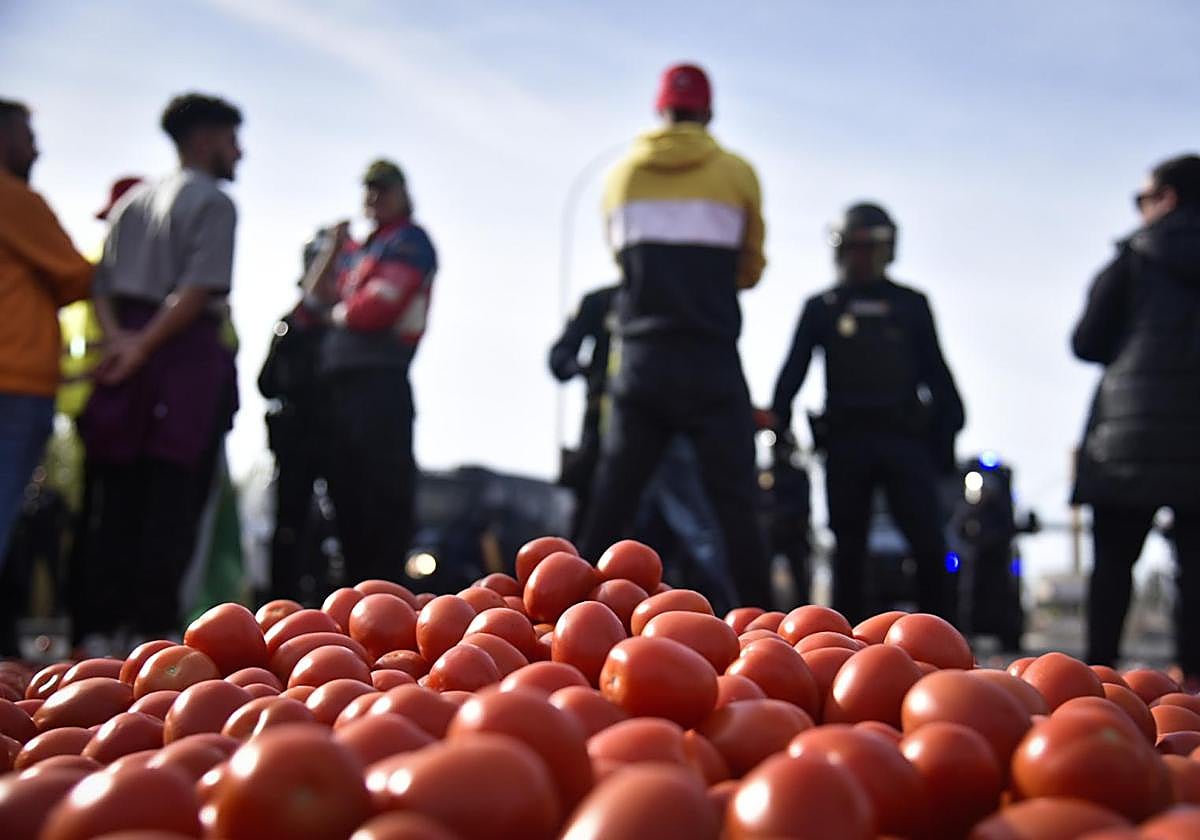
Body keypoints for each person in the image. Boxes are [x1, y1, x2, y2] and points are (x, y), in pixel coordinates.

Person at [576, 63, 773, 609]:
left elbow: (623, 261)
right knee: (736, 508)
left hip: (644, 360)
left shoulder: (621, 176)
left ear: (660, 110)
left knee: (610, 503)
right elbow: (751, 269)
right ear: (708, 112)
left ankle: (565, 620)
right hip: (711, 358)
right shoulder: (738, 173)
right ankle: (774, 633)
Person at [77, 92, 242, 640]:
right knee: (172, 503)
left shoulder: (132, 202)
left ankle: (98, 630)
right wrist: (144, 346)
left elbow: (100, 285)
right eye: (231, 140)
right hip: (181, 364)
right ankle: (153, 637)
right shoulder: (214, 203)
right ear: (204, 139)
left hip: (126, 362)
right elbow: (195, 291)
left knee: (114, 499)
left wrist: (120, 341)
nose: (238, 153)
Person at [769, 202, 964, 625]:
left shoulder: (910, 305)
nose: (859, 258)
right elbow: (793, 372)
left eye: (868, 248)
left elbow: (936, 370)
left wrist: (949, 427)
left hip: (904, 438)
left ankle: (942, 635)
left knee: (928, 540)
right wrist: (776, 422)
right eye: (852, 248)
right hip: (846, 440)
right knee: (848, 546)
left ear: (887, 250)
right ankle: (847, 639)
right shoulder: (822, 307)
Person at [1071, 154, 1200, 684]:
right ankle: (1193, 682)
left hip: (1130, 436)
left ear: (1167, 198)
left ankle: (1096, 678)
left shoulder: (1133, 260)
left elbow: (1087, 341)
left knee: (1113, 564)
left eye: (1143, 198)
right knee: (1196, 570)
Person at [298, 159, 437, 586]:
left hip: (380, 386)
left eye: (384, 189)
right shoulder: (359, 251)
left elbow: (375, 309)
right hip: (339, 390)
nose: (375, 198)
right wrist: (331, 249)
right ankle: (351, 594)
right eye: (369, 190)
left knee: (382, 502)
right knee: (345, 500)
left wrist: (335, 314)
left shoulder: (409, 242)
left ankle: (384, 594)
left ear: (402, 193)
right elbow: (311, 299)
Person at [0, 99, 92, 571]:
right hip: (14, 380)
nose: (36, 151)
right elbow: (77, 275)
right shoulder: (14, 197)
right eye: (28, 139)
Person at [258, 230, 333, 602]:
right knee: (289, 525)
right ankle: (282, 600)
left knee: (335, 528)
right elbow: (267, 382)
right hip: (296, 441)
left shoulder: (345, 328)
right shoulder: (292, 325)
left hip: (338, 441)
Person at [549, 283, 618, 537]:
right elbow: (559, 357)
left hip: (665, 437)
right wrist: (586, 371)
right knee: (592, 515)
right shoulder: (601, 301)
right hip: (600, 429)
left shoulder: (675, 302)